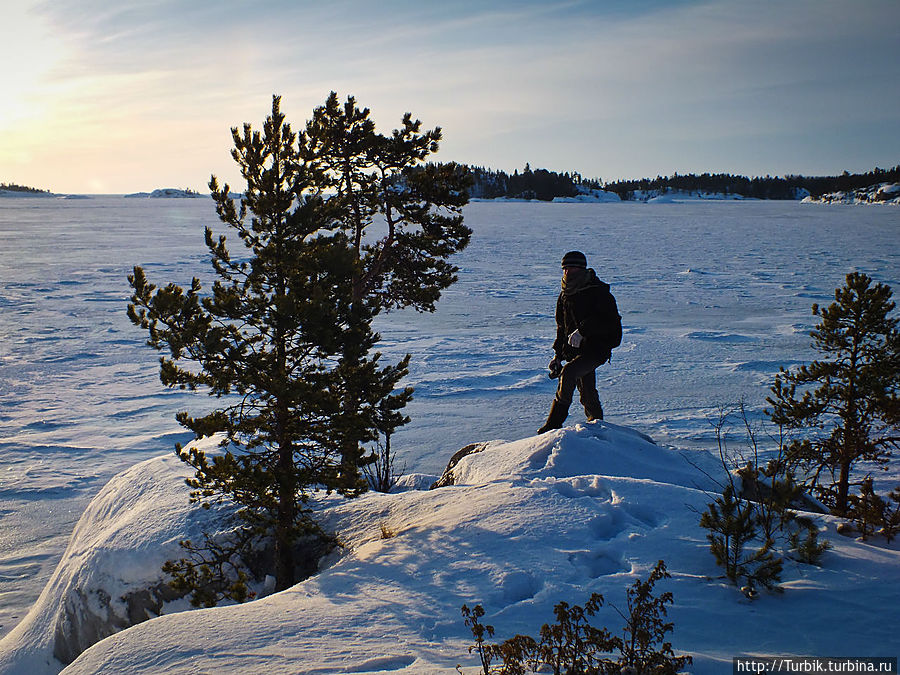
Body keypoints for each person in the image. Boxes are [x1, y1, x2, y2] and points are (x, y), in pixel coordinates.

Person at [538, 250, 620, 434]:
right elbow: (562, 328)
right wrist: (557, 356)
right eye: (565, 268)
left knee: (569, 373)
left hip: (597, 349)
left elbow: (609, 321)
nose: (567, 272)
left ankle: (553, 424)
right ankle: (597, 424)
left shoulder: (598, 292)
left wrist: (583, 330)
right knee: (587, 392)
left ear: (582, 269)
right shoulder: (565, 295)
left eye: (572, 268)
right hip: (576, 351)